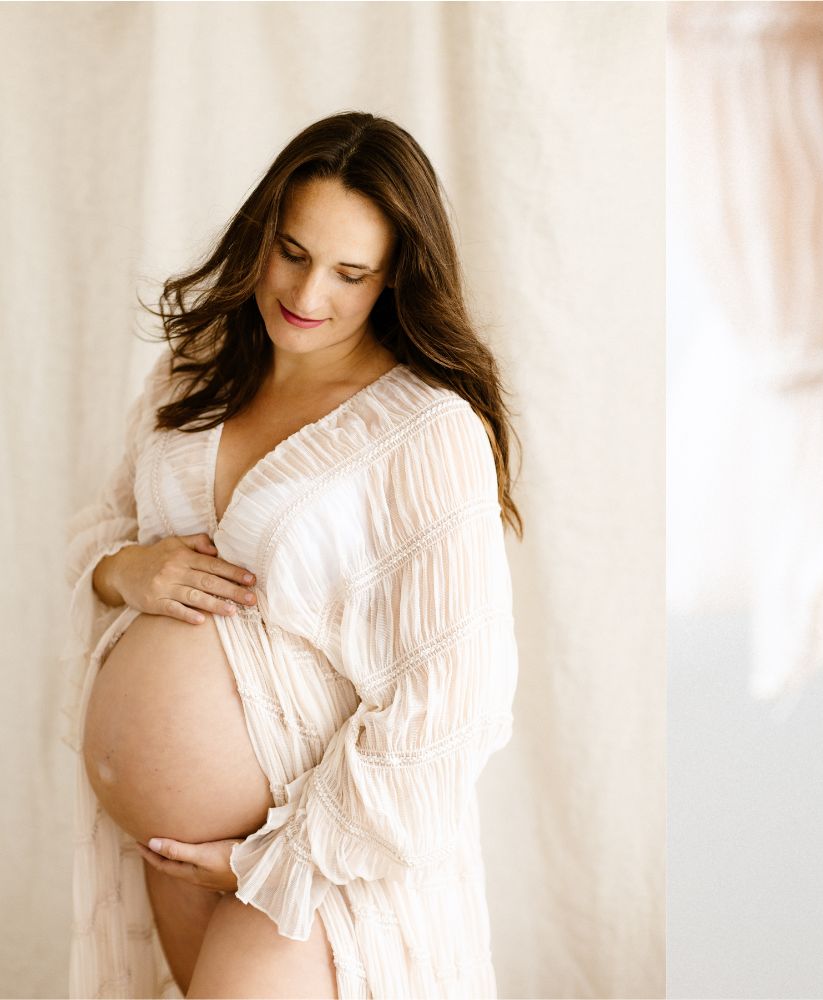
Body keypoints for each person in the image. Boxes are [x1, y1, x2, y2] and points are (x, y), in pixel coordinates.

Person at [66, 112, 520, 998]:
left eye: (350, 273)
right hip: (169, 859)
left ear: (394, 281)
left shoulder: (426, 430)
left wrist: (277, 859)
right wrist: (130, 571)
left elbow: (453, 698)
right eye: (293, 250)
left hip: (315, 873)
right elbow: (101, 531)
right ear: (259, 233)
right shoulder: (195, 370)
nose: (308, 293)